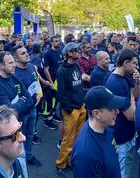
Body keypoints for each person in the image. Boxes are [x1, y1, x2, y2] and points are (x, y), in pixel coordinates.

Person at [71, 86, 125, 178]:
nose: (117, 111)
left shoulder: (106, 126)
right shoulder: (86, 155)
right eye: (112, 108)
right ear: (96, 114)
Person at [105, 49, 140, 178]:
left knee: (128, 166)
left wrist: (137, 82)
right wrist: (131, 94)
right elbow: (131, 116)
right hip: (120, 135)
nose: (136, 67)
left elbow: (136, 95)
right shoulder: (115, 82)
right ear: (125, 62)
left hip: (129, 133)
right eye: (134, 63)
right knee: (121, 171)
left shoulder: (126, 75)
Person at [54, 42, 87, 177]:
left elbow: (78, 85)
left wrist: (82, 103)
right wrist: (69, 109)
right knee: (68, 139)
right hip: (71, 110)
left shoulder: (76, 66)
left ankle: (70, 160)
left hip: (81, 107)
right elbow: (61, 93)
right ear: (69, 53)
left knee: (78, 138)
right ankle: (60, 164)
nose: (79, 51)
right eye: (76, 50)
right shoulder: (62, 70)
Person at [11, 45, 45, 167]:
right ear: (15, 58)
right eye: (23, 53)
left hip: (33, 109)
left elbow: (35, 82)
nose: (27, 54)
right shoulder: (13, 73)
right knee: (17, 138)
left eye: (26, 52)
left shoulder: (31, 67)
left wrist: (39, 95)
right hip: (20, 112)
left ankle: (28, 155)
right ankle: (17, 160)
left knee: (29, 135)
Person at [0, 52, 34, 120]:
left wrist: (18, 105)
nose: (14, 65)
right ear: (1, 66)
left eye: (14, 62)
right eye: (10, 63)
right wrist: (22, 100)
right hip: (6, 126)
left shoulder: (14, 77)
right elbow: (9, 112)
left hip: (21, 119)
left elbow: (29, 99)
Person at [43, 35, 63, 130]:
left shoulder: (60, 51)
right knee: (49, 101)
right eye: (55, 41)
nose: (58, 42)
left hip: (59, 80)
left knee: (57, 99)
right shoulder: (48, 54)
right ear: (51, 43)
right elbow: (46, 70)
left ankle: (54, 114)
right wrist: (50, 82)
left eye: (58, 41)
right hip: (52, 80)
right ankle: (47, 120)